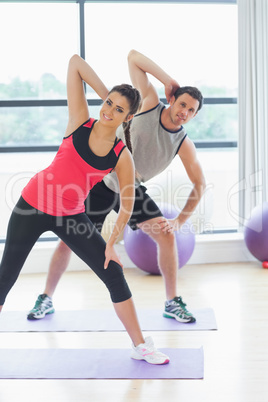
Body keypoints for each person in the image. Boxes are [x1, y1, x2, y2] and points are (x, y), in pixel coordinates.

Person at [0, 54, 170, 365]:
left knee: (114, 274)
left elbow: (127, 205)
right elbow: (75, 63)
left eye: (119, 110)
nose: (109, 111)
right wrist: (109, 93)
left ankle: (140, 345)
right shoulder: (80, 120)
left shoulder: (122, 156)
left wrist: (111, 244)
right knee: (5, 278)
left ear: (127, 118)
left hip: (69, 215)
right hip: (31, 206)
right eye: (108, 104)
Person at [28, 49, 206, 324]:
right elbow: (134, 57)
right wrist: (168, 79)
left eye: (191, 110)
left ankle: (172, 302)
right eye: (182, 104)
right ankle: (46, 298)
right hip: (99, 182)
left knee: (167, 236)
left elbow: (200, 183)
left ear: (194, 116)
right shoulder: (148, 102)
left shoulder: (183, 143)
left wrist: (181, 220)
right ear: (173, 100)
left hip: (130, 188)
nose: (184, 112)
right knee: (67, 242)